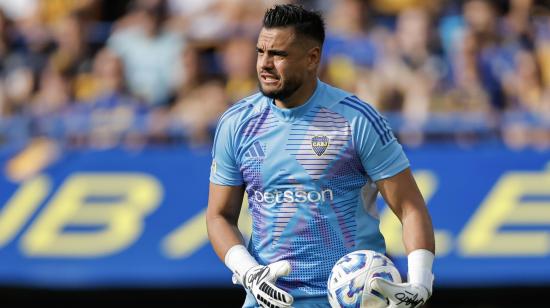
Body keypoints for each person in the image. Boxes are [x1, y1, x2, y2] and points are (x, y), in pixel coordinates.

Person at [206, 4, 435, 308]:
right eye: (261, 51)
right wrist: (248, 272)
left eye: (279, 55)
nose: (265, 64)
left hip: (351, 301)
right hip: (269, 301)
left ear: (312, 58)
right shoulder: (236, 123)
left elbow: (409, 206)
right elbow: (219, 216)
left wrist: (420, 281)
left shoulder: (357, 120)